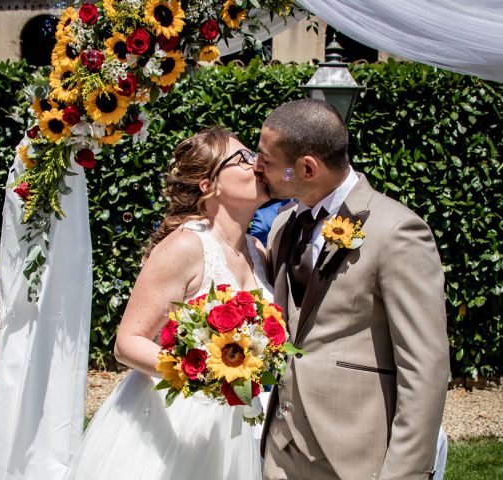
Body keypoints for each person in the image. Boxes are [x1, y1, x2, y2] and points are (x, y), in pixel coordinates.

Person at [255, 99, 450, 480]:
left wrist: (405, 473)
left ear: (307, 168)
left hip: (354, 457)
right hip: (280, 452)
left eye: (267, 159)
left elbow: (424, 366)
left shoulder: (397, 231)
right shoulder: (282, 226)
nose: (258, 167)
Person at [68, 127, 273, 480]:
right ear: (209, 185)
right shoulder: (186, 246)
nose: (258, 165)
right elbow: (127, 342)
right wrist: (201, 374)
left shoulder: (258, 251)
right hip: (174, 419)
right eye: (243, 158)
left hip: (236, 421)